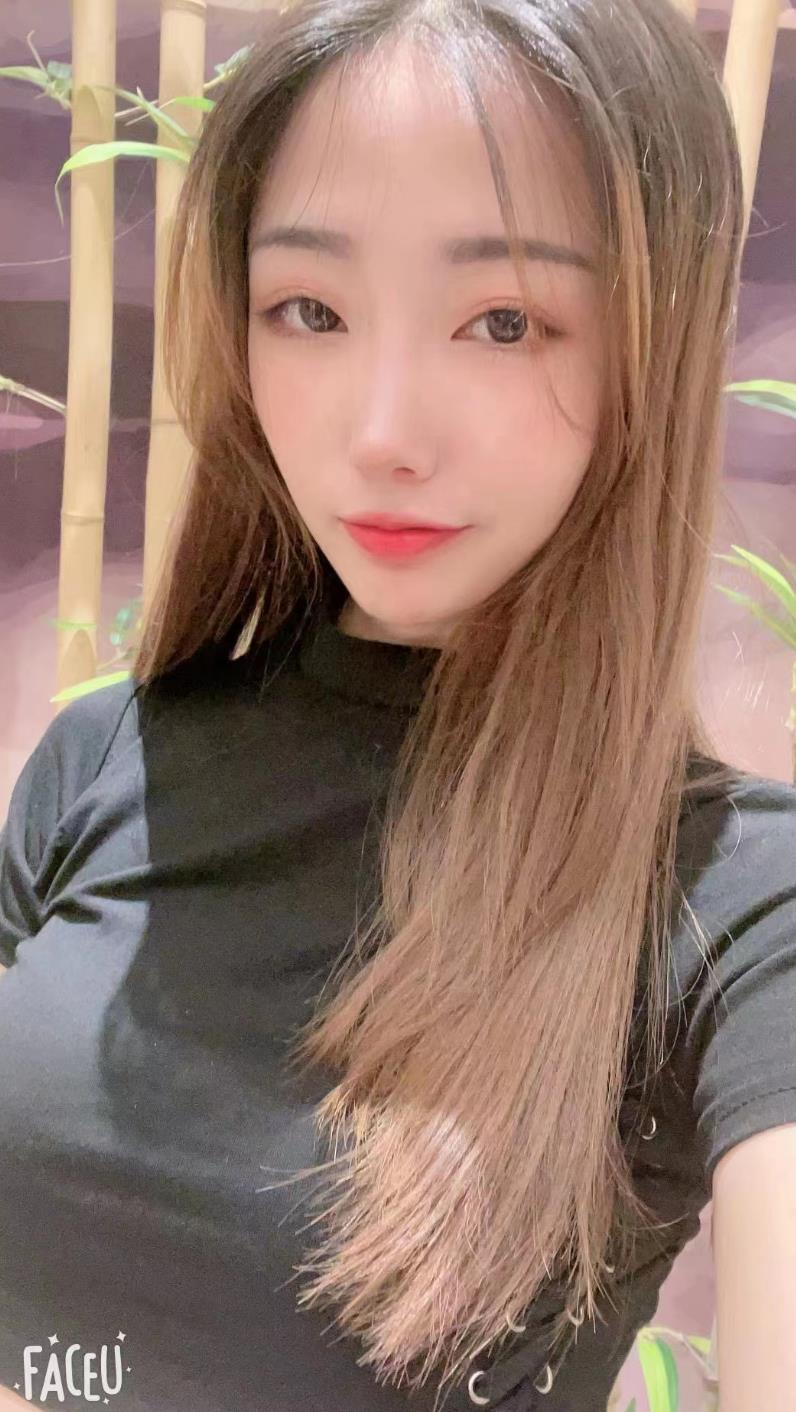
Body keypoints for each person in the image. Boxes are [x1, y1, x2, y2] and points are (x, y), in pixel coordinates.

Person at [1, 0, 795, 1408]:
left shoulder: (733, 905)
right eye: (309, 310)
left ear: (650, 347)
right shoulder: (100, 764)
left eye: (505, 321)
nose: (381, 434)